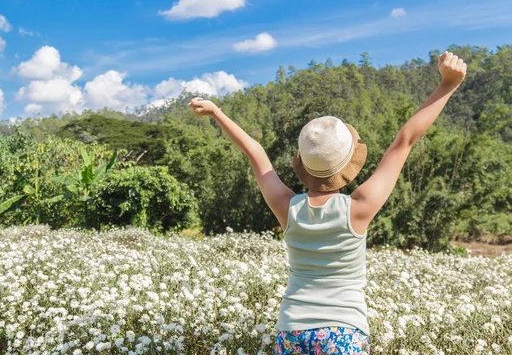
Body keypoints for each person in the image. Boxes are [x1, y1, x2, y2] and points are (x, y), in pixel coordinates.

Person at [188, 51, 467, 354]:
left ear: (304, 166)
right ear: (348, 167)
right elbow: (405, 141)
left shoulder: (287, 208)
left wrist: (217, 112)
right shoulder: (359, 208)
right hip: (345, 334)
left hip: (291, 332)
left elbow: (255, 152)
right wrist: (447, 85)